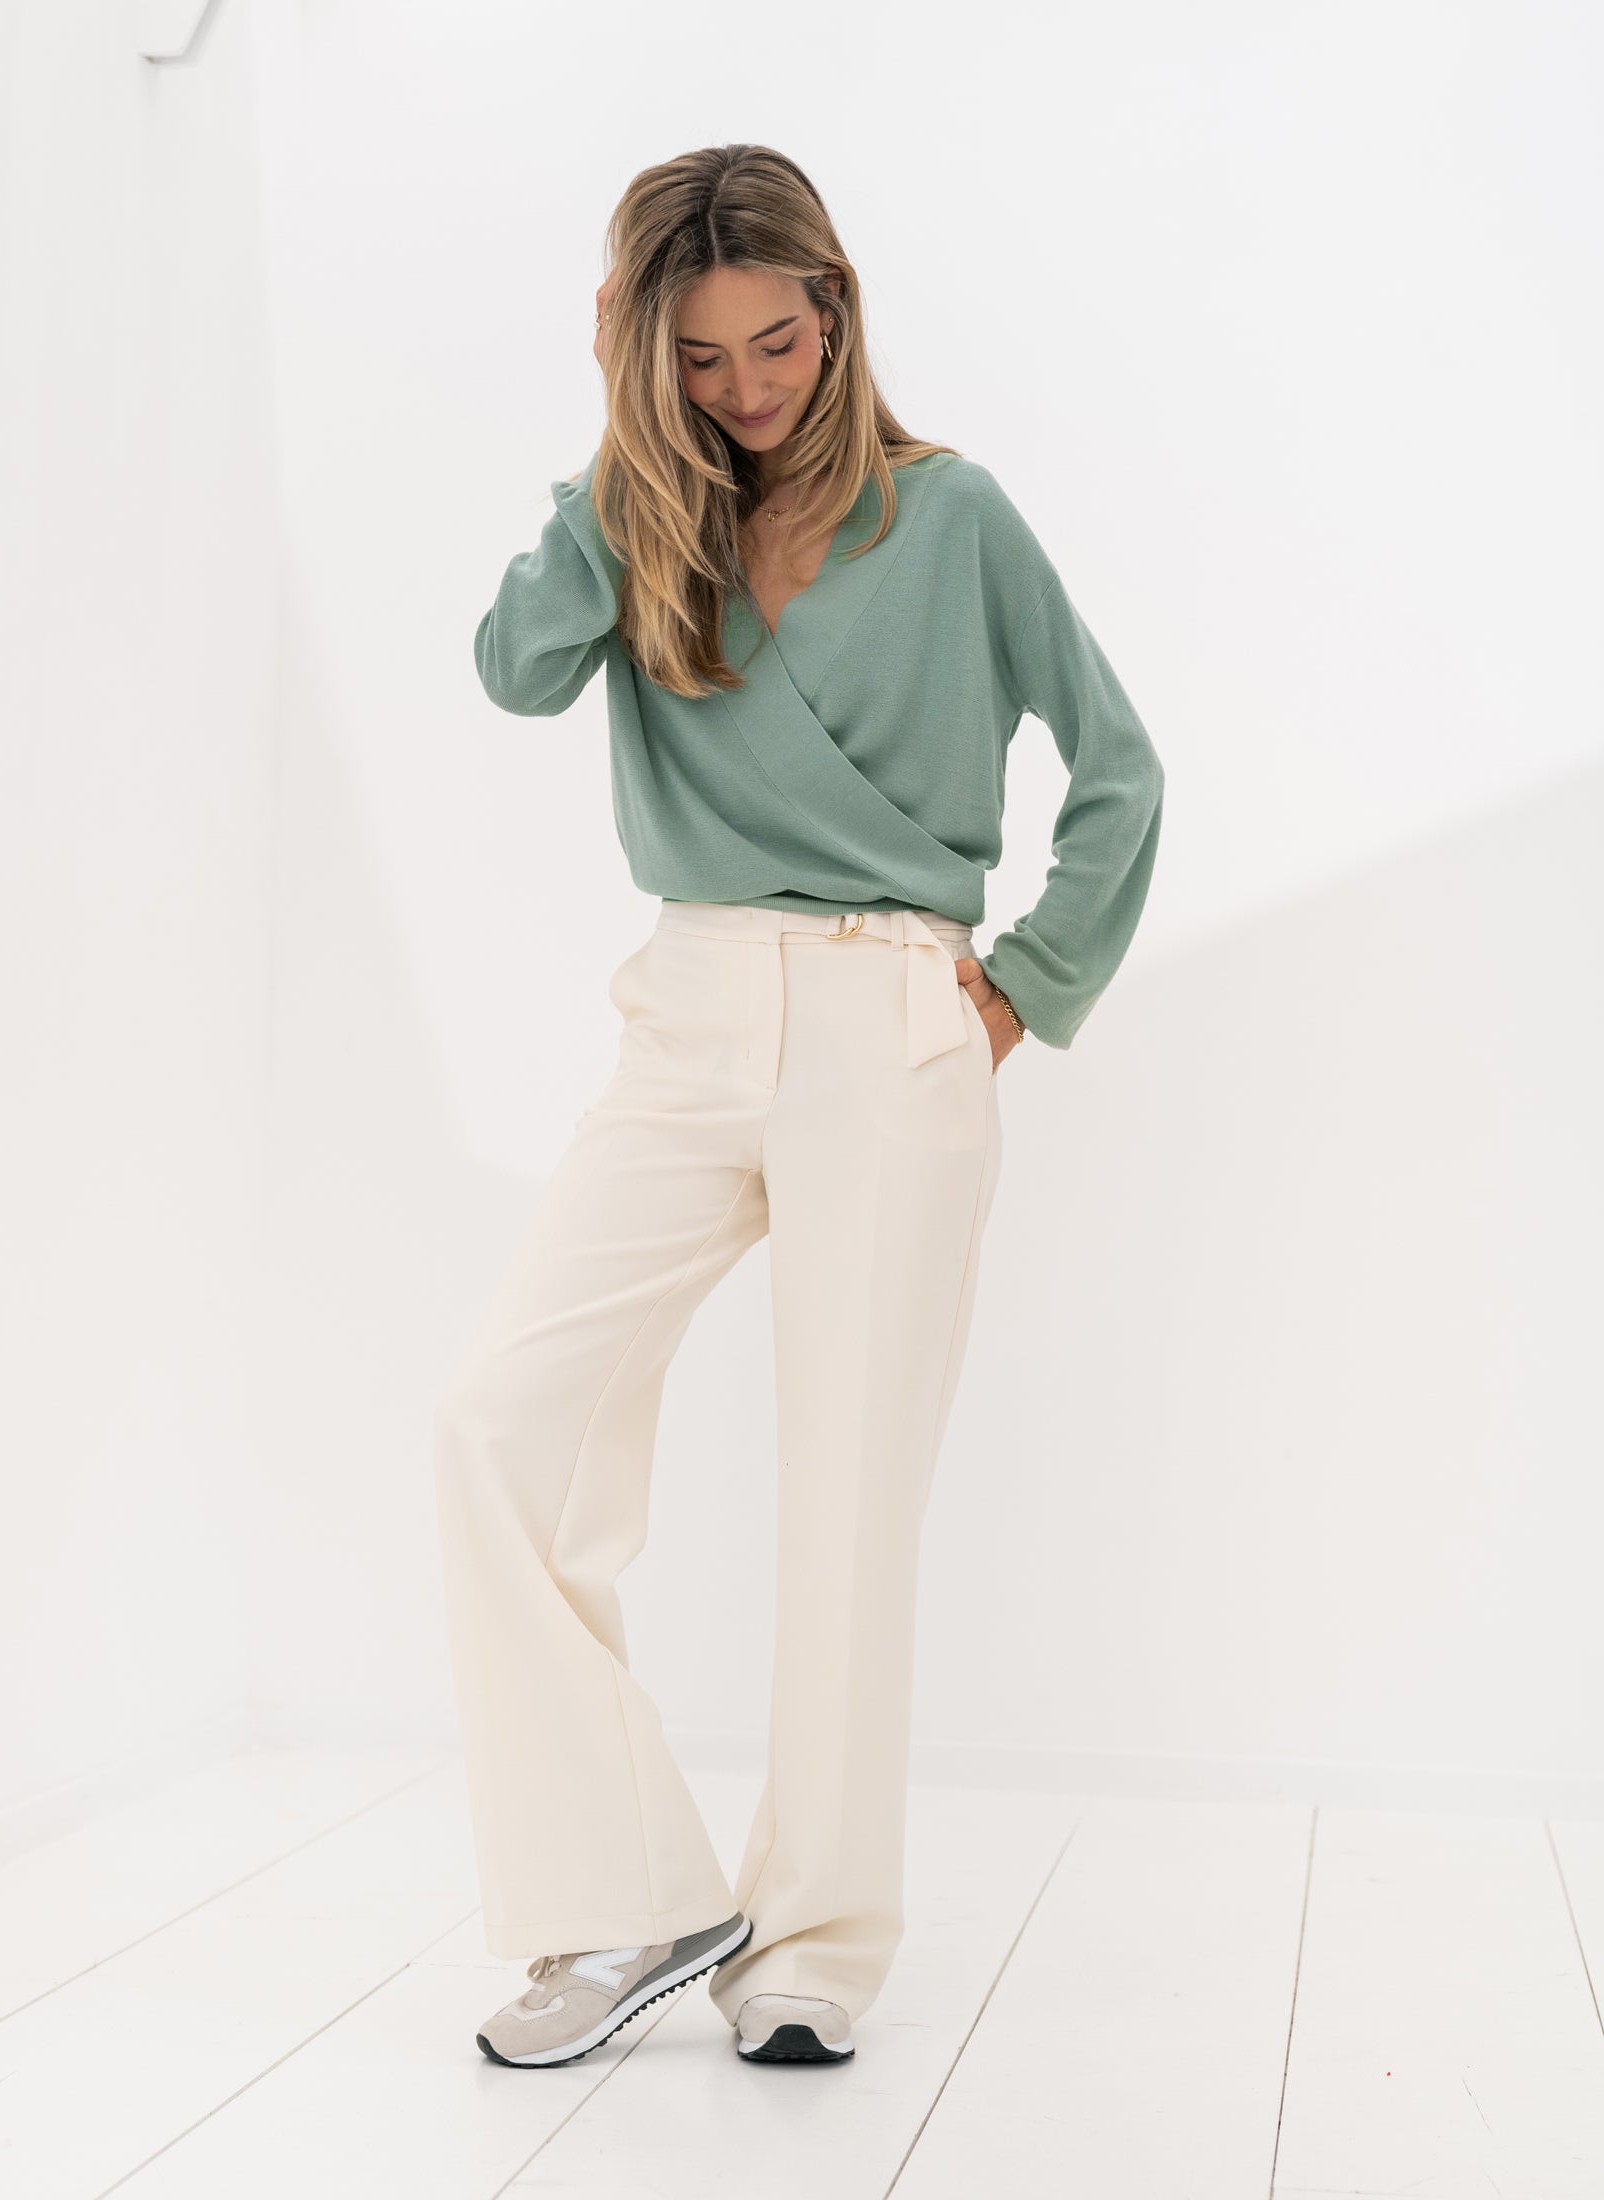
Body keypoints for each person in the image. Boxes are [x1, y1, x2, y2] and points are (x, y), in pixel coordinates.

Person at [434, 142, 1165, 2072]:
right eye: (696, 355)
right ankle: (628, 1893)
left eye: (777, 340)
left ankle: (818, 1943)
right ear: (638, 348)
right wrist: (620, 451)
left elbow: (1121, 766)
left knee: (848, 1503)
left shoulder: (952, 516)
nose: (747, 387)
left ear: (835, 314)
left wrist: (1020, 989)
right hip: (687, 1015)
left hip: (890, 1015)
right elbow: (513, 672)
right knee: (500, 1422)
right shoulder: (636, 515)